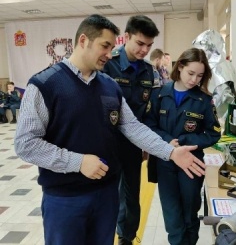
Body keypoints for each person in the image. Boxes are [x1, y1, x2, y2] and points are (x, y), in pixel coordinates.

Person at [14, 14, 205, 245]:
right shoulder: (45, 85)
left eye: (112, 47)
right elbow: (26, 144)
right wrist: (78, 162)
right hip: (65, 198)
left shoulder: (109, 86)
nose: (109, 53)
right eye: (105, 46)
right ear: (83, 40)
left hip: (105, 194)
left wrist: (170, 152)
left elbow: (132, 126)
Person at [145, 47, 221, 245]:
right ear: (180, 67)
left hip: (191, 164)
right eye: (191, 73)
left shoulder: (203, 101)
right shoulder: (160, 95)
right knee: (172, 217)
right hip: (165, 162)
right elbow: (149, 126)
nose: (194, 79)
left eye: (200, 75)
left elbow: (213, 133)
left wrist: (186, 141)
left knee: (189, 213)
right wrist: (167, 140)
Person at [102, 15, 160, 245]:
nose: (144, 50)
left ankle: (126, 237)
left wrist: (147, 144)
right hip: (105, 143)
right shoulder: (108, 64)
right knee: (105, 193)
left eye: (149, 45)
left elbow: (147, 112)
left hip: (133, 143)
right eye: (140, 43)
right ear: (125, 37)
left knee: (131, 194)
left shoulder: (148, 71)